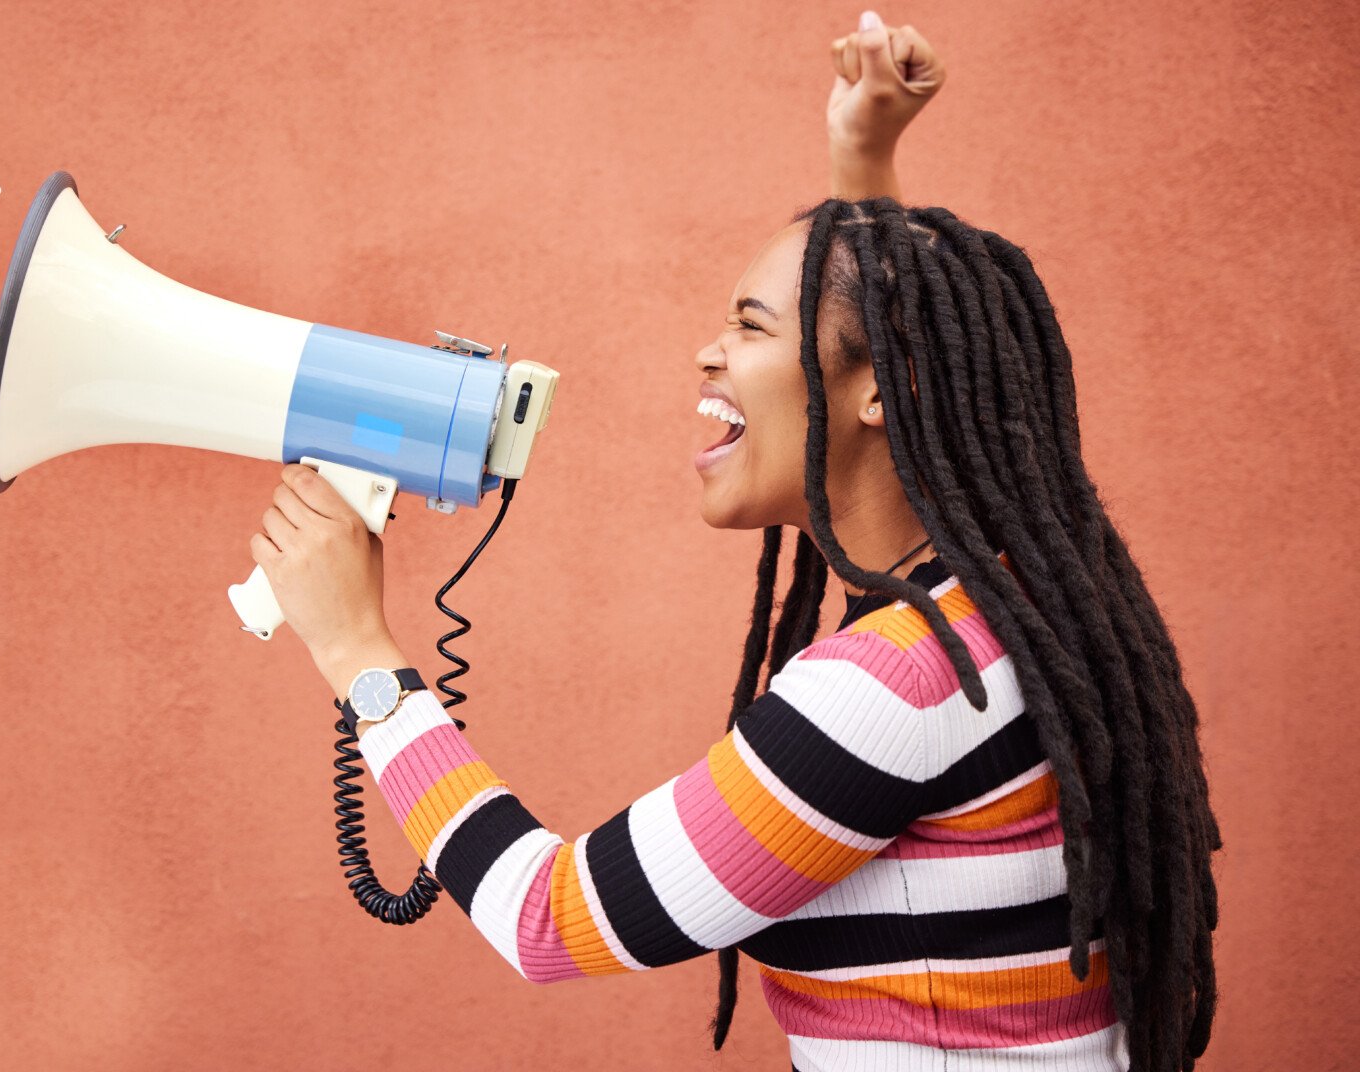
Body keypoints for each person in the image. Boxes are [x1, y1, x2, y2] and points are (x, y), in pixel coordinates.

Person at [246, 12, 1220, 1071]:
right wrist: (864, 160)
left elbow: (550, 917)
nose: (708, 351)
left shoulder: (896, 686)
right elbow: (888, 344)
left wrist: (360, 658)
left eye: (750, 326)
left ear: (879, 393)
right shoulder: (1004, 615)